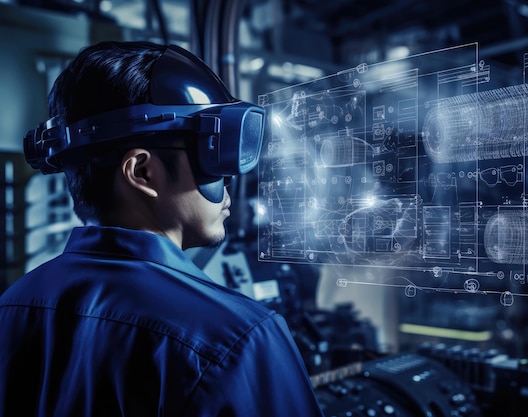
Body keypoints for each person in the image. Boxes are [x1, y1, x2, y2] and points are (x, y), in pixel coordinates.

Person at [0, 41, 324, 416]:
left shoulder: (11, 308)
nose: (229, 180)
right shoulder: (237, 339)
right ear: (142, 172)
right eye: (213, 151)